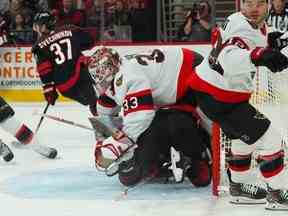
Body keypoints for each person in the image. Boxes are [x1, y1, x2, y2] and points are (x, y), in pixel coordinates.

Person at [188, 0, 288, 210]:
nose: (253, 8)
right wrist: (258, 55)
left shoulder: (241, 20)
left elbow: (252, 38)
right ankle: (278, 194)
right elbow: (229, 59)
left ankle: (239, 187)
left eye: (259, 3)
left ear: (268, 5)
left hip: (212, 93)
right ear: (241, 4)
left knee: (244, 138)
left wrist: (270, 41)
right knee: (271, 138)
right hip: (219, 98)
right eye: (248, 3)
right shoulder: (243, 27)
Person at [87, 46, 212, 187]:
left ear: (110, 70)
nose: (99, 81)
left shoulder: (127, 76)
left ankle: (206, 154)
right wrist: (103, 139)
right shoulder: (117, 76)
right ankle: (174, 157)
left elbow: (141, 116)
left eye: (100, 77)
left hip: (191, 73)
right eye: (96, 77)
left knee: (210, 131)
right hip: (177, 82)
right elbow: (104, 113)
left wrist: (118, 145)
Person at [31, 11, 98, 115]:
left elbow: (45, 71)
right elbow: (90, 39)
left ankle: (94, 105)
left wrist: (49, 91)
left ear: (43, 26)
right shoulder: (70, 29)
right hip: (81, 74)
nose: (35, 29)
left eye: (37, 26)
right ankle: (100, 114)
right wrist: (76, 46)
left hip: (65, 86)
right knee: (94, 101)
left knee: (88, 101)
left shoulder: (38, 46)